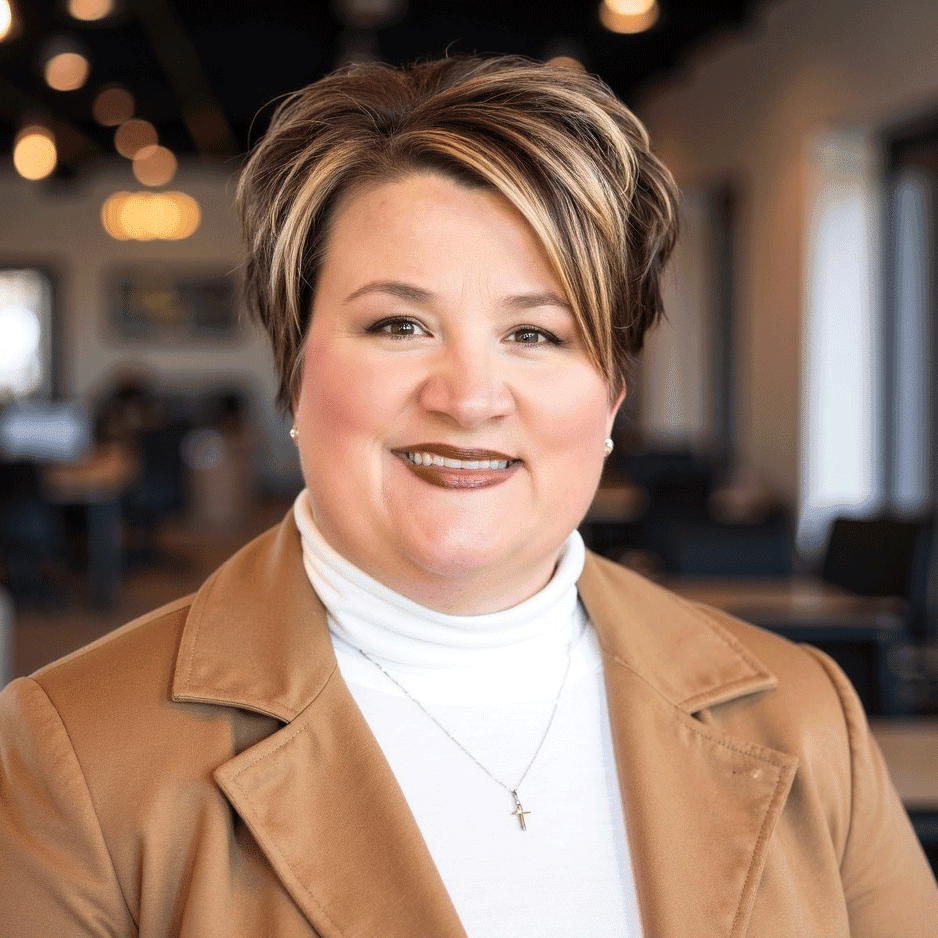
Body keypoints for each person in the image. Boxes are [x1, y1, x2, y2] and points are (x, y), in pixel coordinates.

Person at [0, 55, 935, 938]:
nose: (469, 396)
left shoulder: (807, 717)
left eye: (537, 335)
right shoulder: (75, 753)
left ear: (610, 397)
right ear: (296, 373)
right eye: (399, 324)